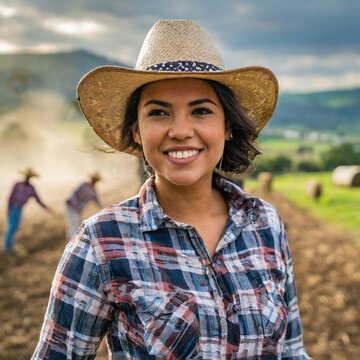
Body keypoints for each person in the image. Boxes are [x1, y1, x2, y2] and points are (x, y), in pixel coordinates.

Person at [32, 19, 311, 359]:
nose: (180, 131)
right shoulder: (101, 242)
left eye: (201, 111)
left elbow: (293, 352)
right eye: (159, 112)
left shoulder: (266, 223)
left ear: (227, 125)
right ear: (137, 130)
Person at [4, 167, 51, 255]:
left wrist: (46, 208)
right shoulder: (17, 184)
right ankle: (8, 247)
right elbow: (10, 197)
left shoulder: (30, 188)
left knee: (14, 227)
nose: (28, 178)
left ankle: (9, 246)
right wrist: (9, 209)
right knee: (12, 227)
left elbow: (38, 199)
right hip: (14, 207)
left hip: (19, 208)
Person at [64, 172, 103, 240]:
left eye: (95, 180)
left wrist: (103, 207)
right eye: (94, 179)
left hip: (77, 210)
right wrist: (74, 204)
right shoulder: (83, 185)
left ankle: (70, 241)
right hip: (71, 207)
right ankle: (72, 241)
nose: (94, 181)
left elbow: (98, 202)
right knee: (74, 225)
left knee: (75, 225)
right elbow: (74, 193)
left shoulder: (93, 191)